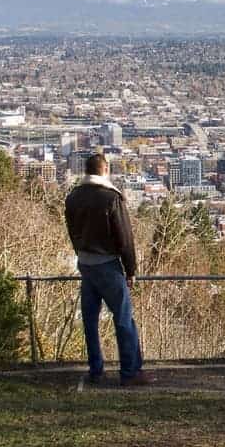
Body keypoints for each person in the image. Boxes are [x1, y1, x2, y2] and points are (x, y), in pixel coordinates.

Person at [64, 153, 153, 387]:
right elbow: (124, 237)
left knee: (90, 320)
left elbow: (71, 230)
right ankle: (130, 371)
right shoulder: (111, 198)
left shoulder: (73, 197)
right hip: (108, 264)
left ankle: (96, 369)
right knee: (123, 319)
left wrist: (81, 253)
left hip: (85, 263)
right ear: (105, 170)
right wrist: (130, 268)